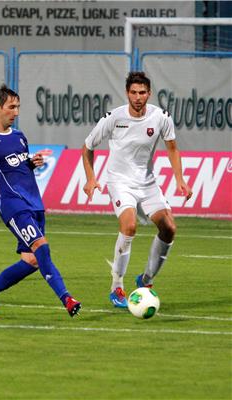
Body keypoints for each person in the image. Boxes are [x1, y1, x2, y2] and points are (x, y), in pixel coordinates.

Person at [0, 85, 82, 318]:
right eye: (11, 107)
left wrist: (32, 163)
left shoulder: (20, 137)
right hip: (12, 206)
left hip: (34, 203)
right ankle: (67, 298)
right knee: (42, 247)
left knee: (32, 260)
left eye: (18, 107)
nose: (16, 112)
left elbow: (17, 167)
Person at [82, 71, 192, 309]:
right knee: (129, 226)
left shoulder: (161, 117)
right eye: (133, 92)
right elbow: (88, 146)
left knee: (169, 228)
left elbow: (172, 148)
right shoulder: (114, 117)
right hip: (120, 182)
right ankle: (116, 286)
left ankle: (146, 279)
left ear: (149, 94)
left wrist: (180, 179)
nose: (138, 97)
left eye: (142, 92)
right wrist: (91, 178)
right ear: (127, 93)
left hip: (147, 182)